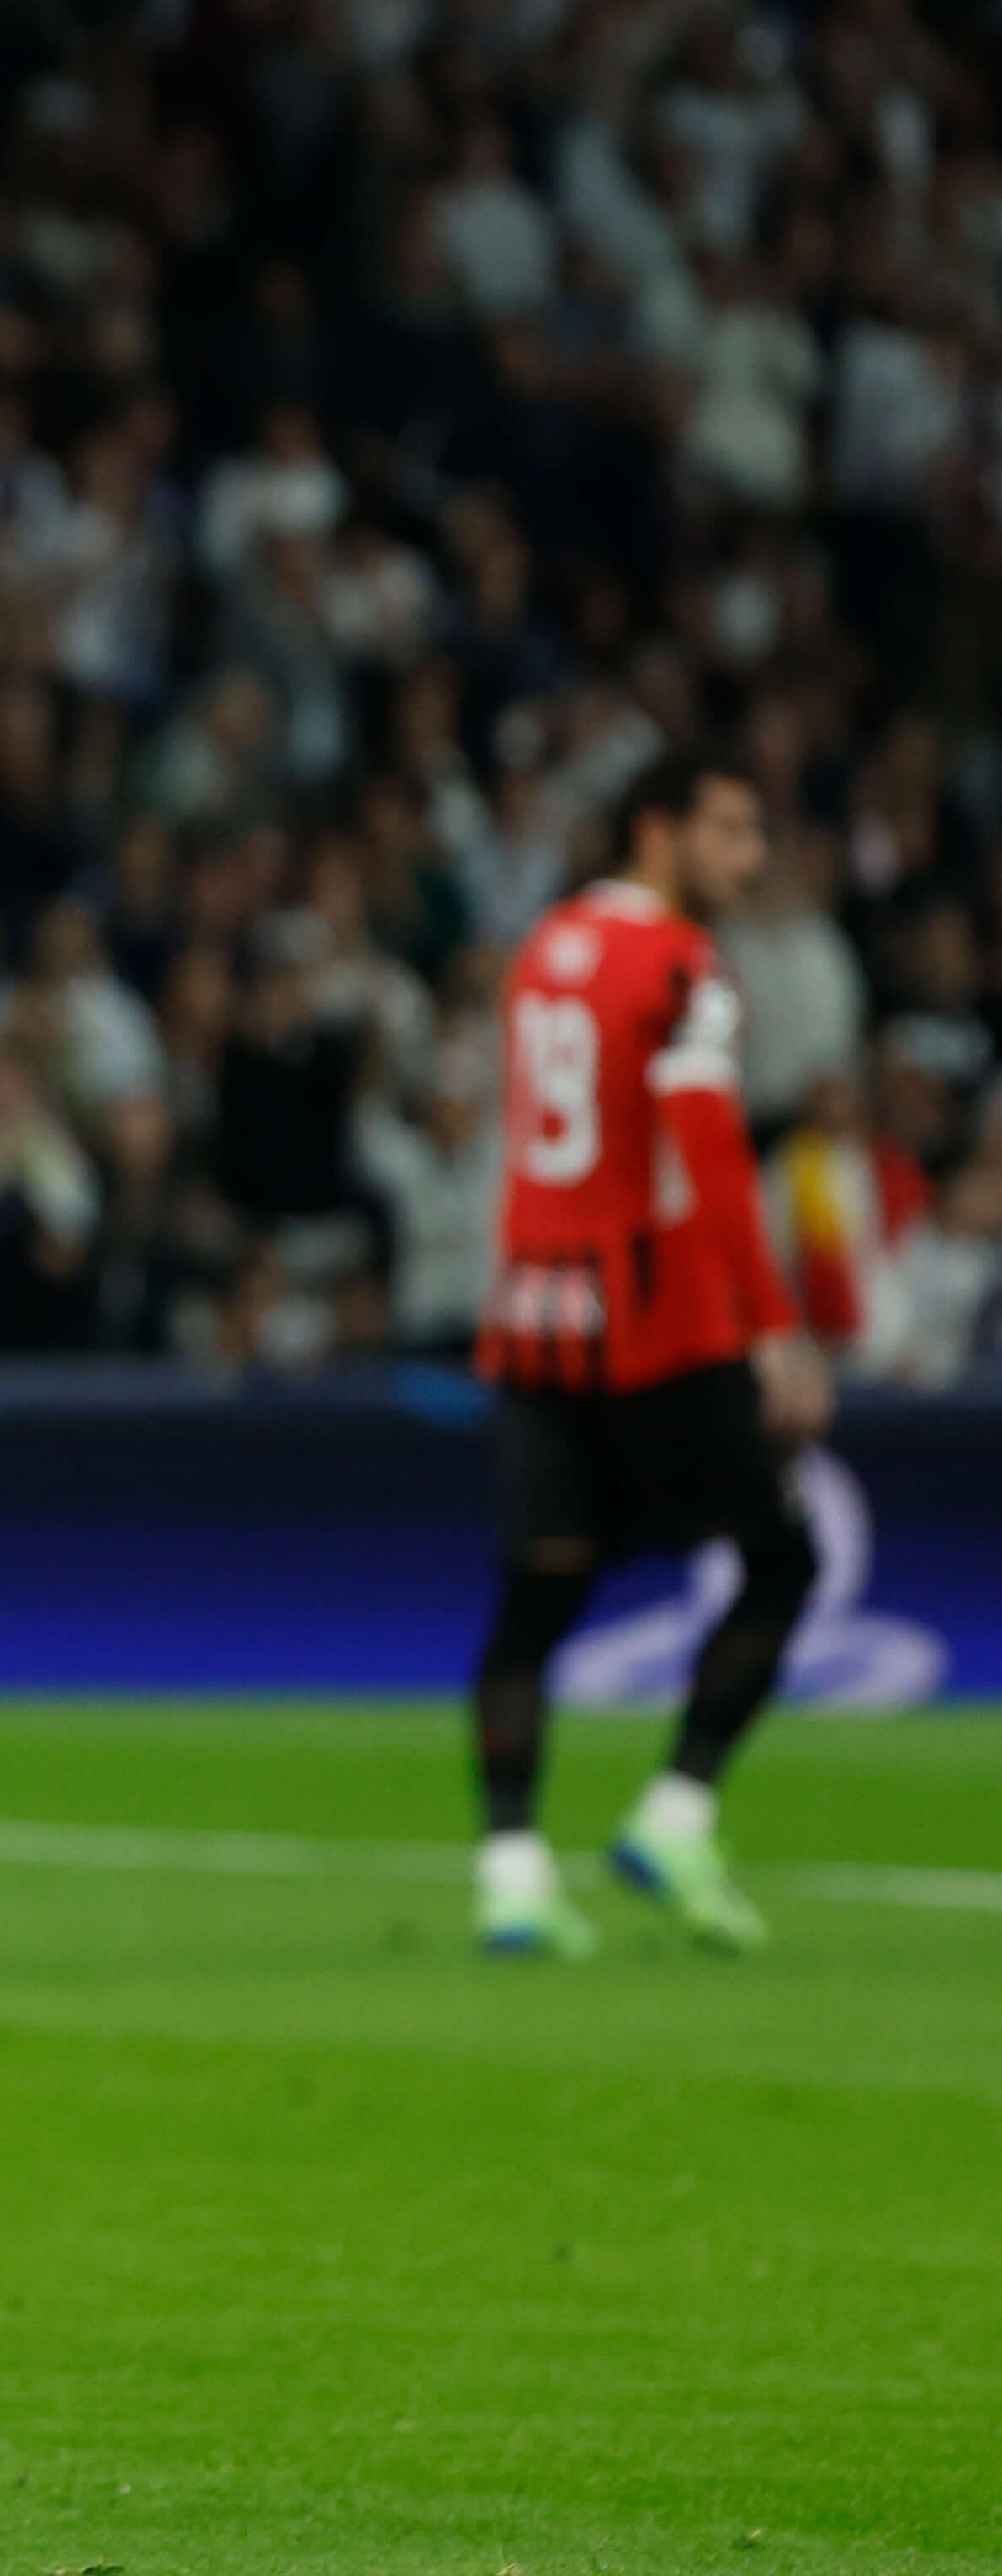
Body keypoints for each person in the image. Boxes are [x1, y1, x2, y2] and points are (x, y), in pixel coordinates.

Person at [464, 749, 826, 1959]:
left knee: (540, 1592)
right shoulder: (679, 967)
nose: (751, 857)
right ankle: (675, 1814)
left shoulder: (542, 950)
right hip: (647, 1322)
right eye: (730, 829)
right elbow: (709, 1159)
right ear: (655, 830)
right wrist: (772, 1329)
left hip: (531, 1313)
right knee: (781, 1557)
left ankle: (510, 1874)